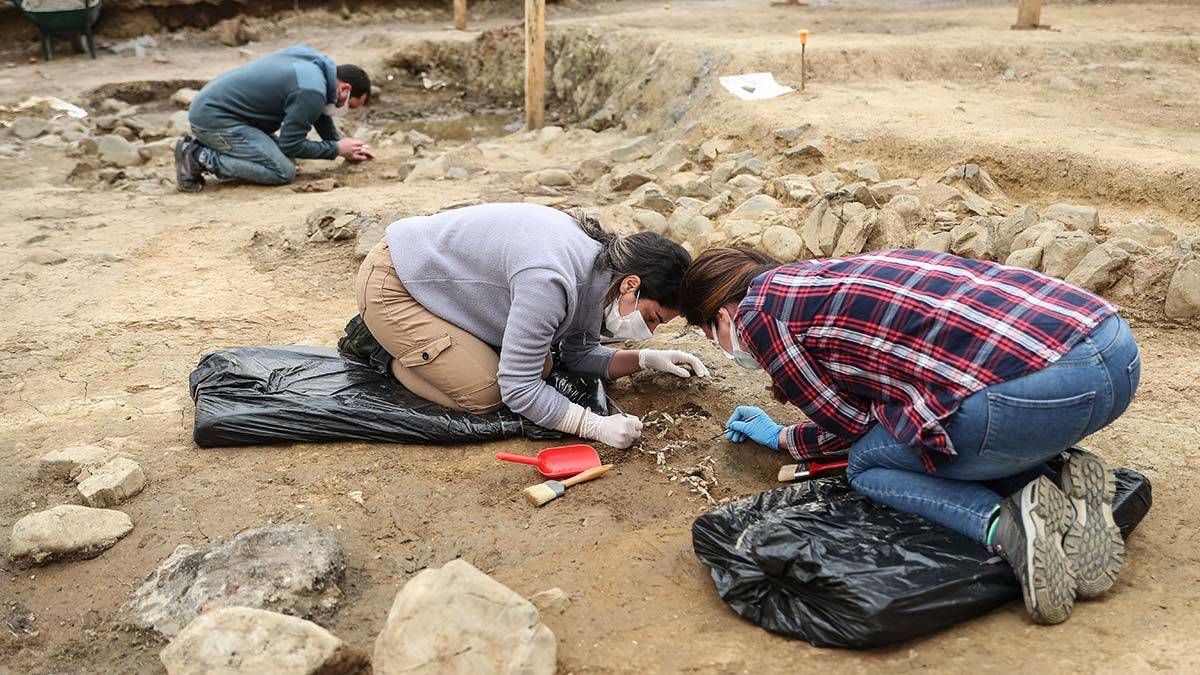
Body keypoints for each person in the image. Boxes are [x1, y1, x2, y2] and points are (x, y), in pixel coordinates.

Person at [680, 247, 1139, 625]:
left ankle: (1010, 528)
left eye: (709, 333)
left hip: (1035, 395)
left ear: (721, 314)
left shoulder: (758, 315)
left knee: (868, 463)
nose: (724, 346)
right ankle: (1061, 484)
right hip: (1113, 353)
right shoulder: (821, 275)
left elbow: (851, 427)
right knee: (941, 414)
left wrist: (785, 439)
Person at [355, 203, 709, 449]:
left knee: (544, 364)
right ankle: (382, 349)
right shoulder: (550, 280)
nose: (649, 330)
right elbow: (518, 389)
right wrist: (593, 426)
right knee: (486, 393)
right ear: (631, 284)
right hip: (396, 285)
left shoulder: (600, 272)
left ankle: (426, 342)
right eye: (651, 318)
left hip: (441, 286)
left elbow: (578, 353)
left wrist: (645, 359)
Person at [174, 45, 374, 192]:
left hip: (223, 111)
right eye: (350, 105)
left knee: (284, 159)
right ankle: (198, 156)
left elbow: (317, 111)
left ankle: (212, 149)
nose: (344, 108)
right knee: (282, 170)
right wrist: (336, 149)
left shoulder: (316, 66)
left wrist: (340, 143)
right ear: (345, 89)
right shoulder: (311, 91)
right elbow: (292, 144)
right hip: (216, 119)